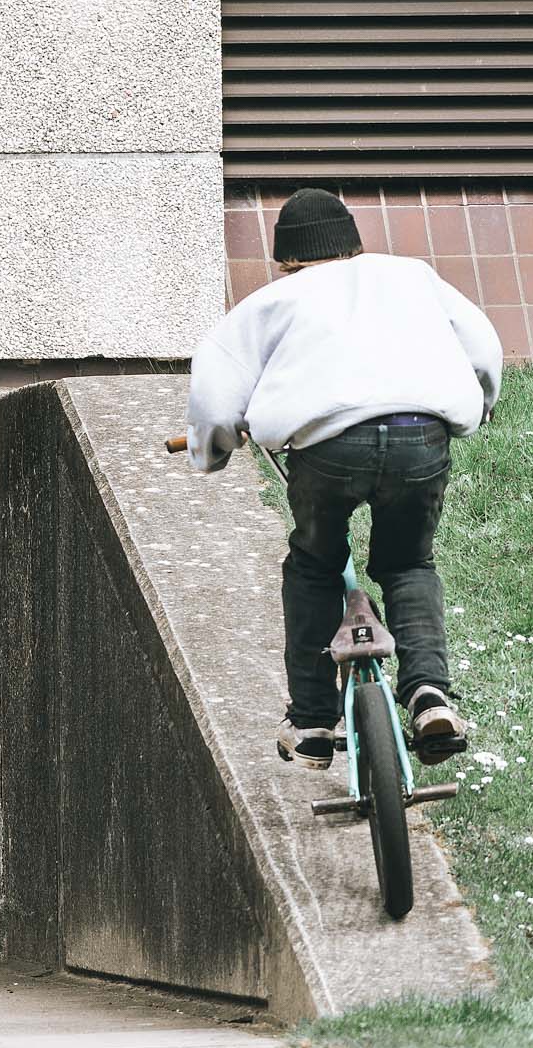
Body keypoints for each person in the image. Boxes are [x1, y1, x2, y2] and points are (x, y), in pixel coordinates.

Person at [185, 188, 500, 770]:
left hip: (330, 448)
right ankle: (429, 696)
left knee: (314, 564)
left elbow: (215, 391)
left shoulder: (273, 300)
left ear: (286, 259)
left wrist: (213, 451)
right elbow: (482, 348)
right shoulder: (412, 276)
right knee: (408, 563)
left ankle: (312, 720)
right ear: (354, 245)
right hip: (420, 434)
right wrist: (479, 404)